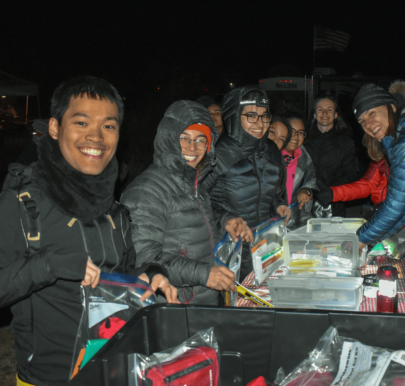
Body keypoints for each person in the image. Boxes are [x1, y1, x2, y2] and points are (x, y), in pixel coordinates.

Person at [0, 76, 177, 386]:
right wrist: (49, 265)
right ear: (54, 128)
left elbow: (113, 281)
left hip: (113, 368)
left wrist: (148, 277)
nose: (96, 136)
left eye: (109, 125)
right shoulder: (21, 204)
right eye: (81, 121)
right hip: (51, 384)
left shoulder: (115, 212)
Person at [120, 100, 253, 305]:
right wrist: (204, 273)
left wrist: (224, 220)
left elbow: (189, 218)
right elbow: (145, 261)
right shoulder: (146, 191)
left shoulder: (193, 181)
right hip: (174, 307)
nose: (192, 147)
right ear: (169, 138)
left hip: (201, 301)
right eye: (184, 138)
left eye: (201, 140)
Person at [314, 82, 405, 282]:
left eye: (372, 113)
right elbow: (375, 187)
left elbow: (397, 207)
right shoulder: (390, 141)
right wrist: (369, 239)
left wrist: (360, 240)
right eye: (362, 121)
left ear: (391, 107)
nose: (368, 124)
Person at [204, 86, 290, 280]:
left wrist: (279, 205)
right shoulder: (219, 154)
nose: (259, 123)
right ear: (234, 117)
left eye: (264, 116)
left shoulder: (272, 151)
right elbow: (198, 202)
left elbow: (277, 191)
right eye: (251, 116)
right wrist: (224, 218)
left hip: (265, 246)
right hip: (229, 250)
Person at [303, 95, 360, 217]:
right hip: (305, 200)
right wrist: (311, 189)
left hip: (334, 201)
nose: (324, 113)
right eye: (320, 109)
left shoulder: (346, 142)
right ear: (314, 114)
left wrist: (329, 190)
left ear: (335, 115)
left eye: (329, 109)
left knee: (331, 235)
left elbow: (352, 173)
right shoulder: (304, 140)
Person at [282, 114, 319, 229]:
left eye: (300, 132)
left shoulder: (304, 158)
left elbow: (311, 182)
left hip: (295, 219)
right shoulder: (270, 155)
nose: (295, 136)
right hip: (270, 217)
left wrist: (305, 191)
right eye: (291, 131)